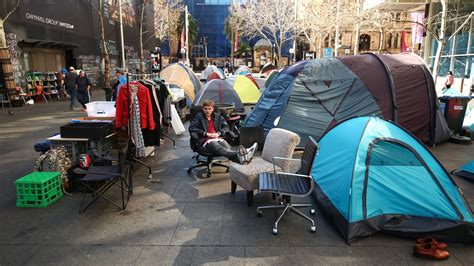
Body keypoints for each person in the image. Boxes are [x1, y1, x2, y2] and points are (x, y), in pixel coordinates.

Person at [189, 100, 257, 164]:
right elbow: (192, 128)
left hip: (218, 138)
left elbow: (226, 127)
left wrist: (218, 133)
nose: (207, 111)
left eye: (209, 109)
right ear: (203, 109)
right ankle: (242, 153)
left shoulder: (218, 116)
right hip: (205, 140)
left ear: (212, 109)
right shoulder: (199, 116)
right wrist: (206, 133)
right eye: (205, 109)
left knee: (226, 147)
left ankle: (241, 160)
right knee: (214, 144)